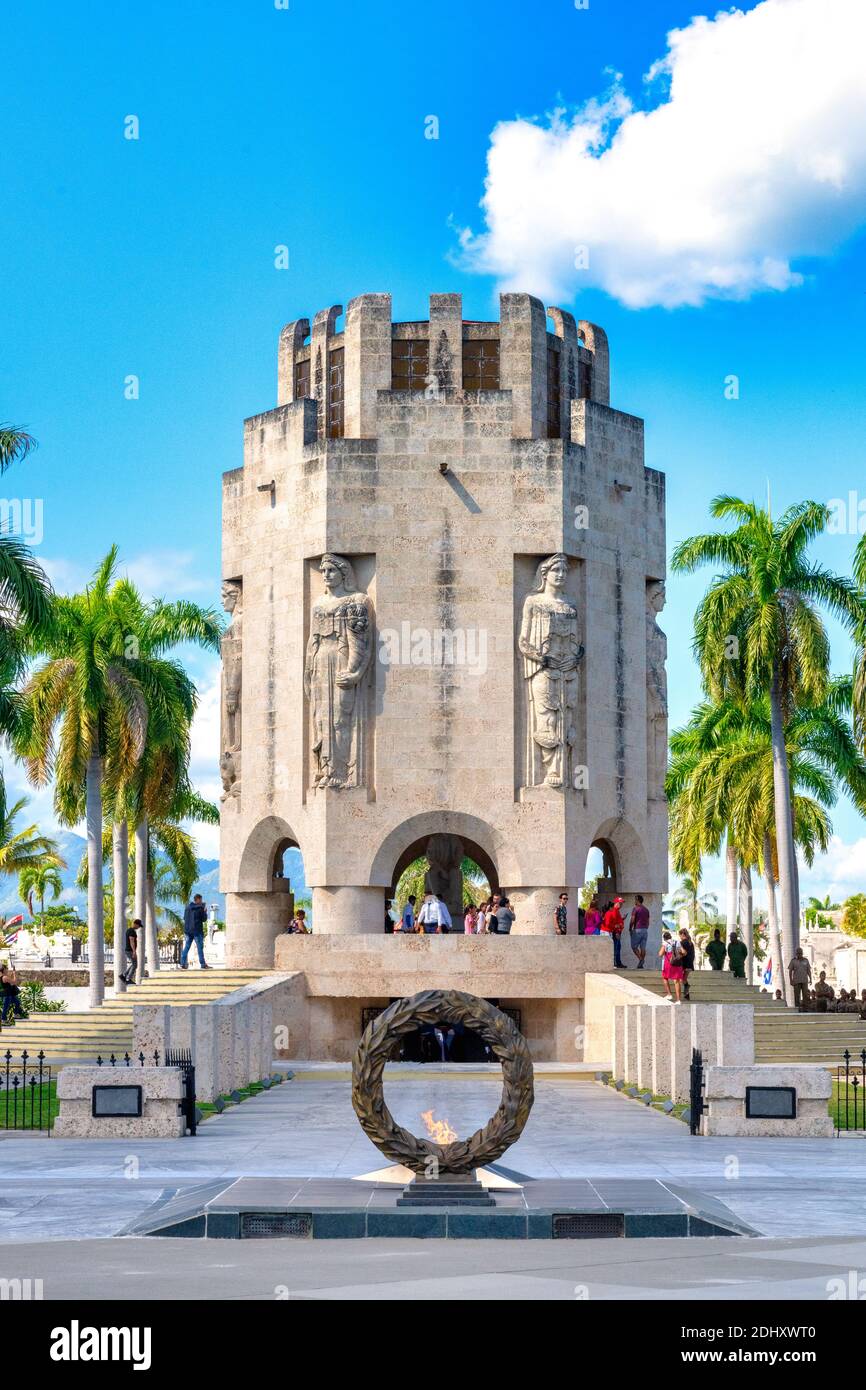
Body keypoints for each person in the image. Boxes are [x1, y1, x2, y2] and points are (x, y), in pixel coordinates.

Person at [181, 893, 209, 969]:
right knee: (200, 948)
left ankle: (182, 963)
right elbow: (204, 919)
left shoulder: (187, 908)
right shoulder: (200, 908)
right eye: (201, 900)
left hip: (188, 931)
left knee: (187, 947)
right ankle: (203, 964)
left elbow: (184, 918)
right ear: (198, 899)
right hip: (197, 931)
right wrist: (205, 911)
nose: (201, 901)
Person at [659, 932, 683, 1003]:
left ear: (664, 938)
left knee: (665, 977)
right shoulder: (677, 942)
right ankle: (678, 1000)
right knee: (677, 980)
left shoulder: (665, 943)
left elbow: (660, 954)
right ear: (670, 936)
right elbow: (683, 952)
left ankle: (669, 994)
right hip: (677, 962)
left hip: (669, 962)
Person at [602, 897, 626, 967]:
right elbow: (612, 923)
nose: (621, 905)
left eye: (622, 903)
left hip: (617, 932)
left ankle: (618, 963)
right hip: (615, 932)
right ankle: (614, 963)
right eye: (620, 903)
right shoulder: (613, 911)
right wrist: (617, 931)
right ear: (615, 903)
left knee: (618, 947)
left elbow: (618, 922)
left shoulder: (617, 911)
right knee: (615, 948)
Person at [629, 894, 650, 969]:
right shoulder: (646, 910)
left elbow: (632, 920)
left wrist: (630, 928)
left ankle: (641, 959)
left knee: (634, 946)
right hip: (645, 930)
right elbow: (648, 922)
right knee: (643, 948)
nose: (634, 901)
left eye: (635, 900)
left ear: (637, 900)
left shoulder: (636, 909)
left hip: (637, 930)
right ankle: (641, 963)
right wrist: (645, 928)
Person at [678, 927, 696, 1000]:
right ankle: (687, 994)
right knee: (684, 979)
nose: (680, 937)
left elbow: (682, 953)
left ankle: (686, 990)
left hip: (684, 963)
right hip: (690, 963)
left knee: (681, 979)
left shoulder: (682, 942)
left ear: (682, 934)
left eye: (680, 935)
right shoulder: (690, 943)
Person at [121, 919, 140, 984]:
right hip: (130, 951)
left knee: (134, 964)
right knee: (135, 965)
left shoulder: (129, 930)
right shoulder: (132, 931)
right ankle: (128, 979)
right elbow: (131, 941)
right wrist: (134, 951)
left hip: (128, 950)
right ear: (135, 924)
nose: (139, 927)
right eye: (138, 926)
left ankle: (123, 975)